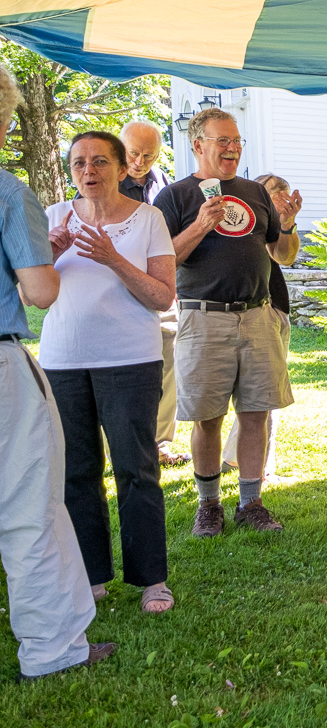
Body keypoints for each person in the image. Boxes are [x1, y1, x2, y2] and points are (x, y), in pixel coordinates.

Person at [0, 63, 115, 678]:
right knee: (28, 507)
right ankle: (51, 648)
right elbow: (41, 291)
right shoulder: (8, 192)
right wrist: (46, 257)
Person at [41, 132, 176, 614]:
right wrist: (50, 256)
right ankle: (91, 575)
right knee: (76, 471)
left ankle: (151, 580)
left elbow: (163, 296)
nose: (89, 171)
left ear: (122, 169)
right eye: (79, 163)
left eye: (99, 161)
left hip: (130, 359)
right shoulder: (55, 217)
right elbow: (27, 294)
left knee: (136, 468)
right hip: (63, 360)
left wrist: (113, 259)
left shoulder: (148, 219)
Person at [154, 107, 302, 537]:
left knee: (256, 412)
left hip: (258, 316)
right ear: (198, 145)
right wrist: (201, 226)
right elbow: (164, 261)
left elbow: (283, 254)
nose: (233, 148)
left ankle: (251, 502)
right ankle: (209, 505)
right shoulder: (176, 197)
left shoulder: (255, 192)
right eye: (223, 141)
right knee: (208, 418)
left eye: (236, 141)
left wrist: (288, 225)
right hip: (204, 319)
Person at [115, 122, 189, 466]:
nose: (140, 162)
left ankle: (159, 444)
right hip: (118, 289)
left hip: (161, 288)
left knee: (166, 364)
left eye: (149, 155)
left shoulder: (165, 185)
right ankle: (118, 442)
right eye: (134, 153)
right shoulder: (105, 181)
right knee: (119, 369)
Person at [221, 173, 299, 479]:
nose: (282, 204)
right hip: (260, 311)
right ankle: (260, 467)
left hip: (274, 308)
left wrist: (287, 224)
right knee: (263, 396)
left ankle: (236, 457)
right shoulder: (248, 225)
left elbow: (287, 257)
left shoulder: (278, 228)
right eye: (275, 197)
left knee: (260, 396)